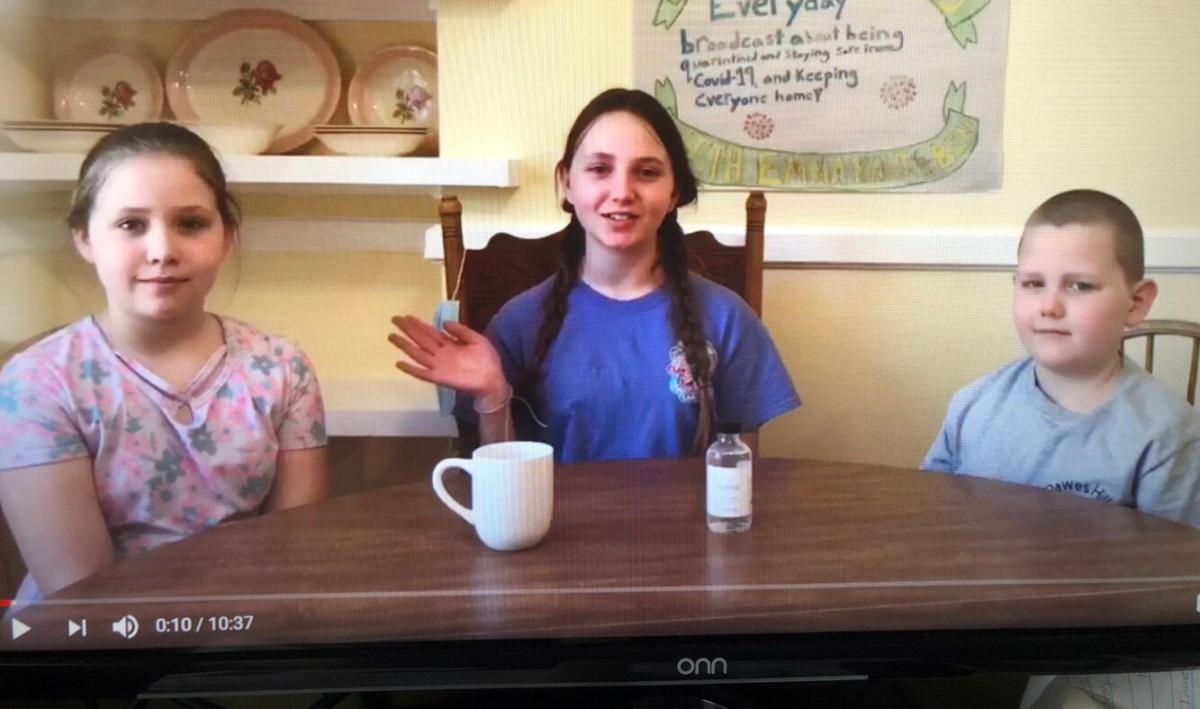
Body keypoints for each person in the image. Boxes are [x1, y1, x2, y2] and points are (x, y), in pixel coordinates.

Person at [0, 122, 328, 613]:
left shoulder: (282, 369)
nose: (162, 251)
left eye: (190, 224)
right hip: (89, 642)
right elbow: (83, 596)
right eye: (130, 225)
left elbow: (293, 552)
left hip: (246, 631)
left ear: (226, 236)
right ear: (84, 238)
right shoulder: (36, 383)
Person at [390, 88, 799, 462]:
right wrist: (492, 395)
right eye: (600, 169)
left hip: (689, 524)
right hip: (553, 524)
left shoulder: (728, 321)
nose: (622, 192)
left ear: (674, 192)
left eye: (647, 172)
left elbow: (743, 484)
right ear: (567, 183)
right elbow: (505, 491)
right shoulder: (517, 325)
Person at [922, 188, 1200, 524]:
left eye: (1079, 286)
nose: (1049, 306)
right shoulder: (971, 406)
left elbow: (1175, 554)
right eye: (1033, 284)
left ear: (1136, 302)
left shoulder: (1169, 434)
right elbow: (929, 517)